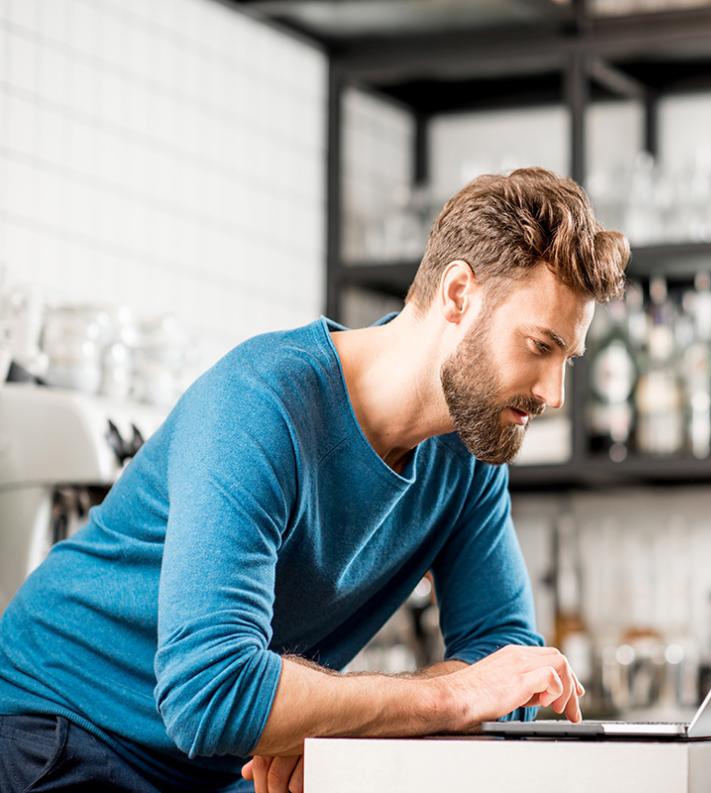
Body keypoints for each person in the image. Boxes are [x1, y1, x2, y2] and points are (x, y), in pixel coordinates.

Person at [0, 167, 630, 793]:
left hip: (224, 768)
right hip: (62, 731)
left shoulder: (470, 452)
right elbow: (212, 694)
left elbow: (513, 665)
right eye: (539, 347)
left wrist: (340, 726)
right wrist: (450, 696)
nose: (553, 392)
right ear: (459, 295)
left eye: (566, 360)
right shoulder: (261, 403)